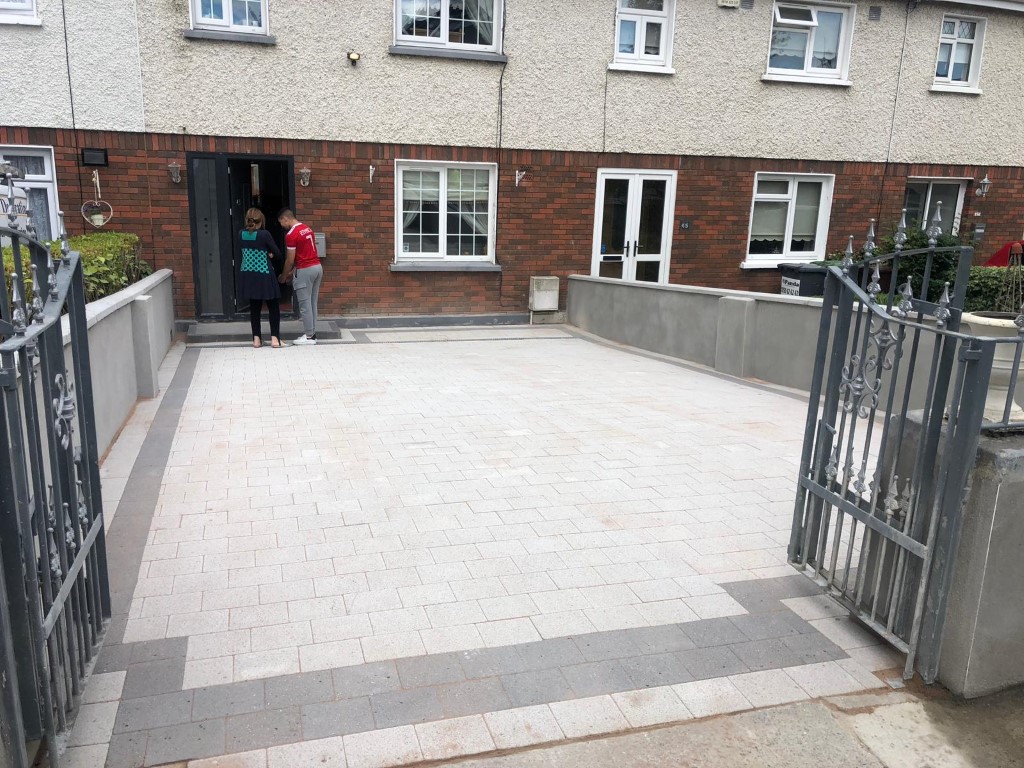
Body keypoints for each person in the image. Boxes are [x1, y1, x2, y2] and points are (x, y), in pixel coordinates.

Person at [237, 207, 282, 348]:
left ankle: (256, 339)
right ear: (261, 221)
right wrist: (272, 255)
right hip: (264, 274)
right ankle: (275, 339)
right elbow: (278, 253)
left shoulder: (241, 234)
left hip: (248, 275)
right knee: (273, 306)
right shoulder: (264, 234)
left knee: (254, 308)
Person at [278, 208, 322, 346]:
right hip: (317, 267)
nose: (282, 226)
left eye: (281, 223)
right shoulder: (307, 229)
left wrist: (284, 276)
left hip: (305, 270)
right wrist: (293, 272)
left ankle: (309, 337)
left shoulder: (291, 234)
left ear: (285, 219)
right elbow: (306, 253)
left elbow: (290, 260)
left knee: (304, 304)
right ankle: (312, 334)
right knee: (312, 303)